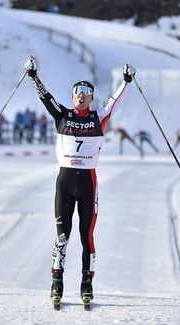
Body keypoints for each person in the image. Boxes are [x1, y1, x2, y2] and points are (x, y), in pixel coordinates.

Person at [24, 56, 136, 307]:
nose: (81, 95)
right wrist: (33, 76)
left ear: (91, 97)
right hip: (65, 182)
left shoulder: (99, 117)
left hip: (88, 183)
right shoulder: (62, 115)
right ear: (73, 96)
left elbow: (114, 102)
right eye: (77, 92)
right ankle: (57, 282)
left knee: (87, 237)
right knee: (62, 236)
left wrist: (126, 82)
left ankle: (87, 284)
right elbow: (46, 97)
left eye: (86, 92)